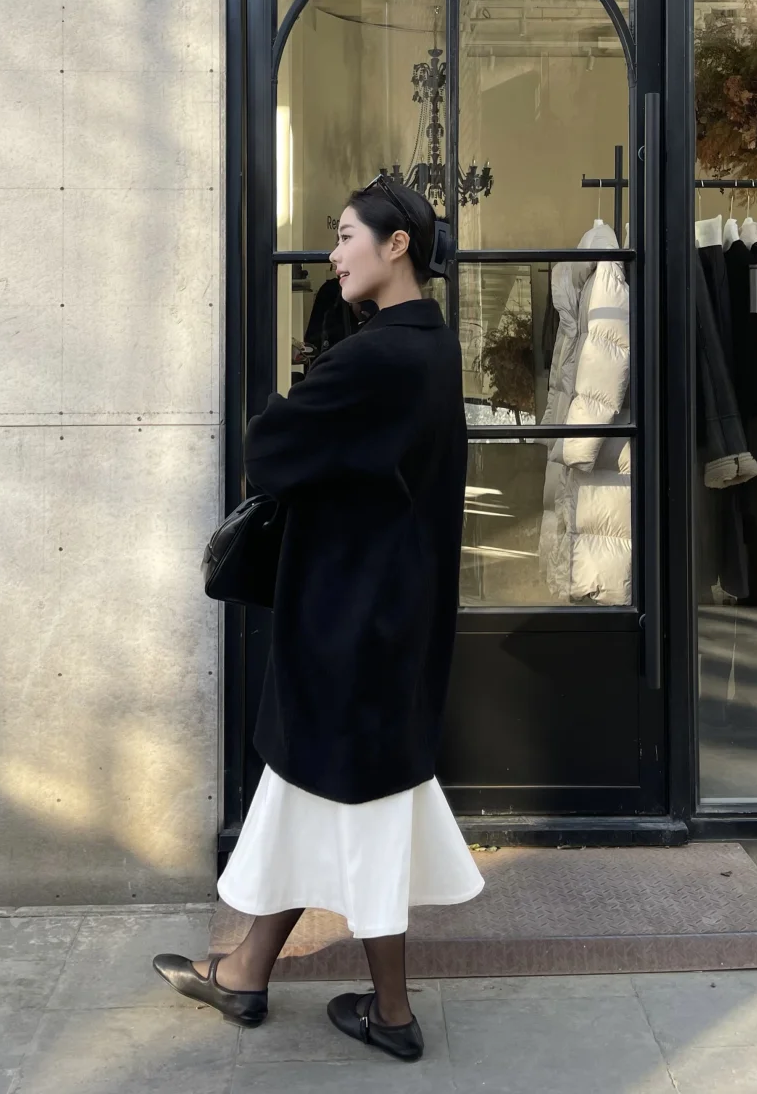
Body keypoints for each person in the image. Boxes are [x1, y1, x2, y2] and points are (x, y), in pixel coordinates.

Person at [153, 175, 482, 1062]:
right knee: (310, 792)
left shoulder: (376, 357)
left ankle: (393, 1013)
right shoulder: (431, 346)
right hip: (392, 612)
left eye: (344, 237)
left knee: (359, 808)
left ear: (396, 245)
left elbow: (270, 449)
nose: (334, 255)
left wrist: (306, 382)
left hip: (351, 618)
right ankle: (246, 973)